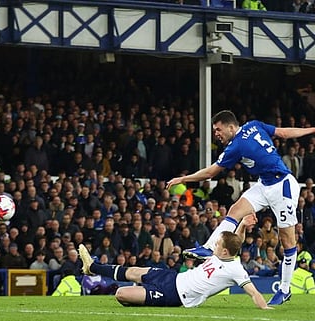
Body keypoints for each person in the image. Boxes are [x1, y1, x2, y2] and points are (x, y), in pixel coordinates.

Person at [167, 110, 315, 305]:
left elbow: (211, 172)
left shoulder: (236, 146)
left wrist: (183, 178)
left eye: (218, 130)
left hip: (283, 187)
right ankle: (208, 247)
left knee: (288, 241)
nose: (217, 134)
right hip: (265, 184)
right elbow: (283, 133)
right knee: (235, 211)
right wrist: (311, 129)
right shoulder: (254, 125)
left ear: (231, 127)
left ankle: (285, 289)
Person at [78, 231, 271, 309]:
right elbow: (237, 239)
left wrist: (265, 307)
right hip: (174, 277)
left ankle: (144, 300)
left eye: (218, 243)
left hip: (175, 295)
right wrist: (244, 224)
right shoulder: (222, 253)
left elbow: (252, 291)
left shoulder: (236, 269)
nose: (214, 245)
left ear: (225, 250)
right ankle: (92, 267)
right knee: (134, 271)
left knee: (121, 293)